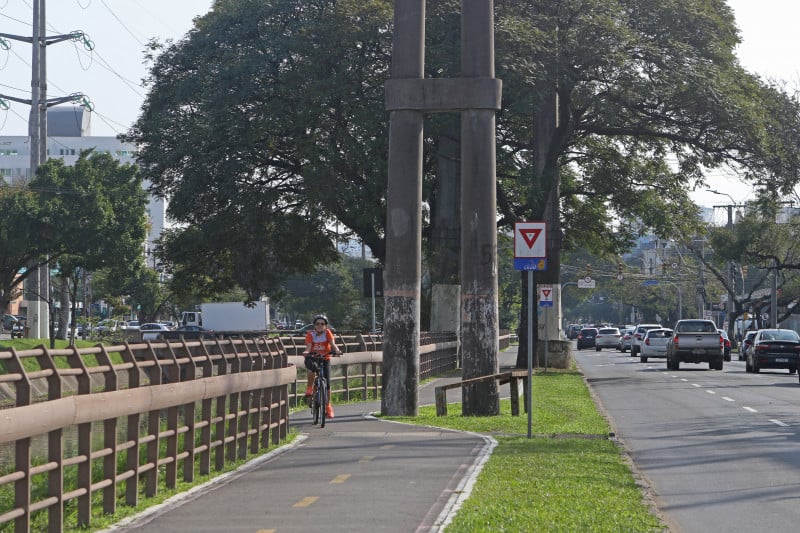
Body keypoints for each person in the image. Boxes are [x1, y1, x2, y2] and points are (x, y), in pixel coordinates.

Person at [303, 314, 342, 419]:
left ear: (326, 325)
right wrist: (306, 352)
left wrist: (337, 351)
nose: (320, 325)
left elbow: (333, 344)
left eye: (322, 324)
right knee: (312, 368)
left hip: (325, 358)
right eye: (317, 324)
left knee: (327, 383)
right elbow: (309, 347)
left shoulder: (327, 333)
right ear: (314, 325)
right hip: (313, 357)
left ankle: (328, 406)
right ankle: (310, 388)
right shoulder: (310, 334)